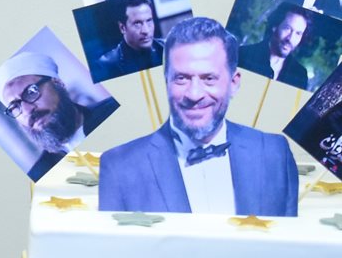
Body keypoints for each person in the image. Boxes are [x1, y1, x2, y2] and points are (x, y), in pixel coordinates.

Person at [99, 16, 299, 216]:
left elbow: (288, 235)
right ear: (166, 81)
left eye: (209, 78)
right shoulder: (119, 168)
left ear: (234, 83)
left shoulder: (275, 153)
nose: (194, 94)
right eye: (181, 78)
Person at [0, 51, 117, 162]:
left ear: (57, 83)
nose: (27, 110)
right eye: (14, 106)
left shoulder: (114, 111)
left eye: (31, 92)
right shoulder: (40, 175)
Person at [238, 2, 313, 90]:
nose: (290, 39)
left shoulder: (300, 75)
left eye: (298, 33)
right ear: (274, 26)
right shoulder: (243, 55)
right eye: (287, 28)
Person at [95, 0, 163, 76]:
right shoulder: (107, 65)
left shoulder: (168, 48)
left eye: (149, 21)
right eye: (137, 23)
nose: (146, 30)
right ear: (122, 28)